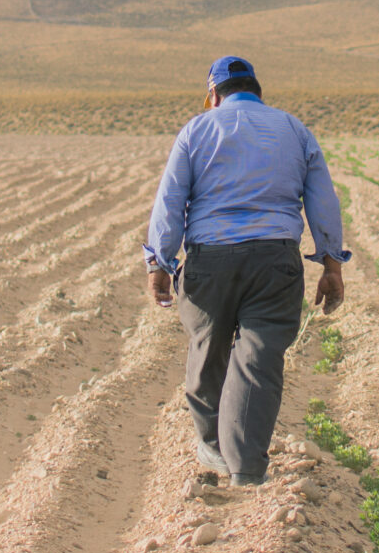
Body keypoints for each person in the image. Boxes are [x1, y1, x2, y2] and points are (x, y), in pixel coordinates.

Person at [144, 56, 349, 485]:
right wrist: (331, 263)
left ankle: (215, 447)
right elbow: (323, 201)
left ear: (214, 95)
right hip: (275, 260)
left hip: (210, 259)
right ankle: (247, 469)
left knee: (208, 350)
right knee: (259, 360)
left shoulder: (197, 129)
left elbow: (170, 201)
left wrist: (159, 263)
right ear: (257, 92)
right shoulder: (294, 130)